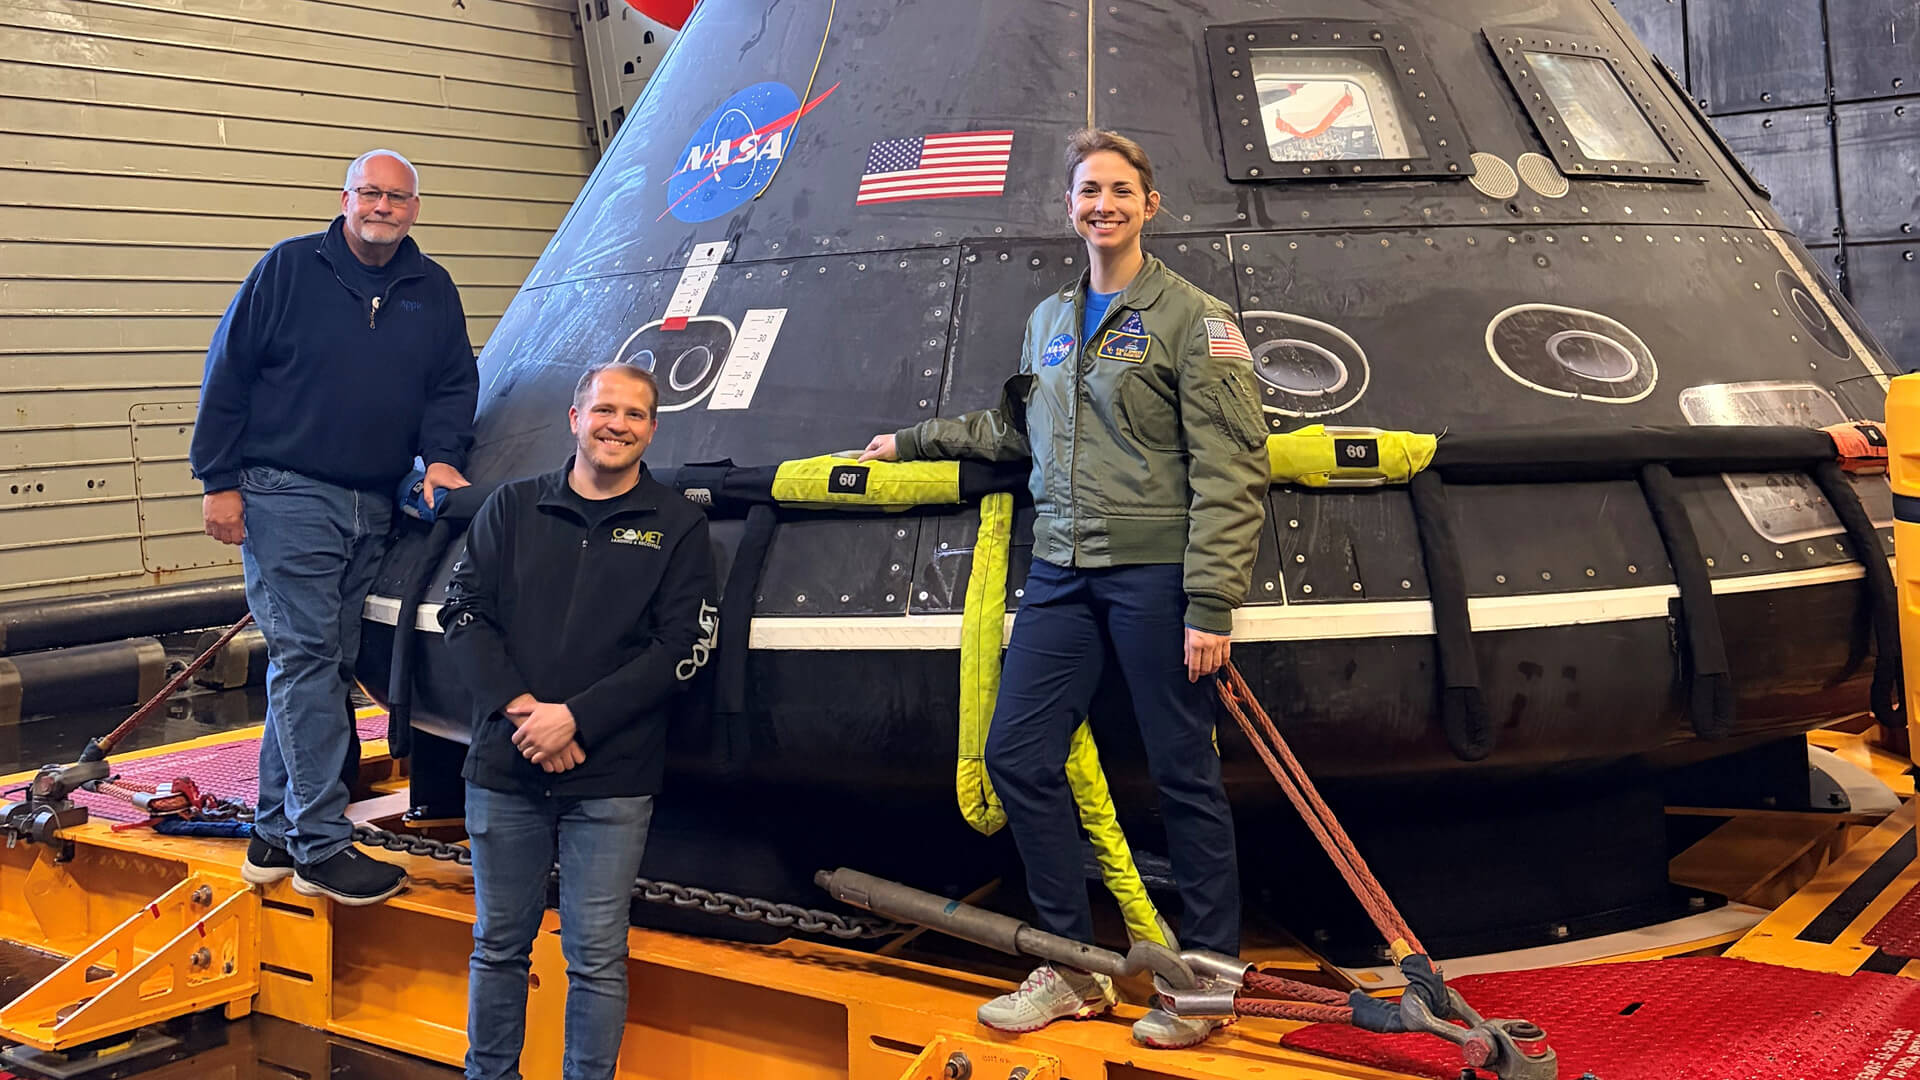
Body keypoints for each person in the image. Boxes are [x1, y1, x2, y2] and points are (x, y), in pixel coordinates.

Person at [859, 129, 1269, 1048]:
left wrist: (1210, 603)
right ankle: (1074, 967)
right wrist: (913, 442)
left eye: (1121, 190)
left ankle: (1206, 981)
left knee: (1183, 773)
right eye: (1089, 192)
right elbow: (1015, 432)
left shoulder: (1192, 321)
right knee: (1017, 755)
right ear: (1071, 207)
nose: (1104, 206)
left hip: (1156, 576)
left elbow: (1233, 467)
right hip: (1061, 573)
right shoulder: (1049, 321)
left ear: (1149, 204)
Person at [191, 149, 477, 906]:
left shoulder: (430, 289)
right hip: (286, 492)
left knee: (322, 664)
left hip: (374, 500)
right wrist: (218, 482)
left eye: (398, 197)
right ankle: (321, 844)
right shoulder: (288, 271)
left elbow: (453, 383)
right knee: (310, 660)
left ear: (415, 208)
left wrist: (443, 459)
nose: (383, 207)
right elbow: (229, 374)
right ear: (346, 198)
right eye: (371, 193)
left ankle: (275, 836)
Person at [439, 363, 718, 1080]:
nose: (616, 424)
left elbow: (681, 646)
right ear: (575, 417)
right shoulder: (511, 508)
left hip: (612, 779)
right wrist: (527, 713)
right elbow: (464, 615)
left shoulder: (678, 527)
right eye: (604, 409)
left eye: (633, 414)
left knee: (595, 955)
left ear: (652, 429)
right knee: (499, 944)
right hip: (506, 766)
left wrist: (578, 720)